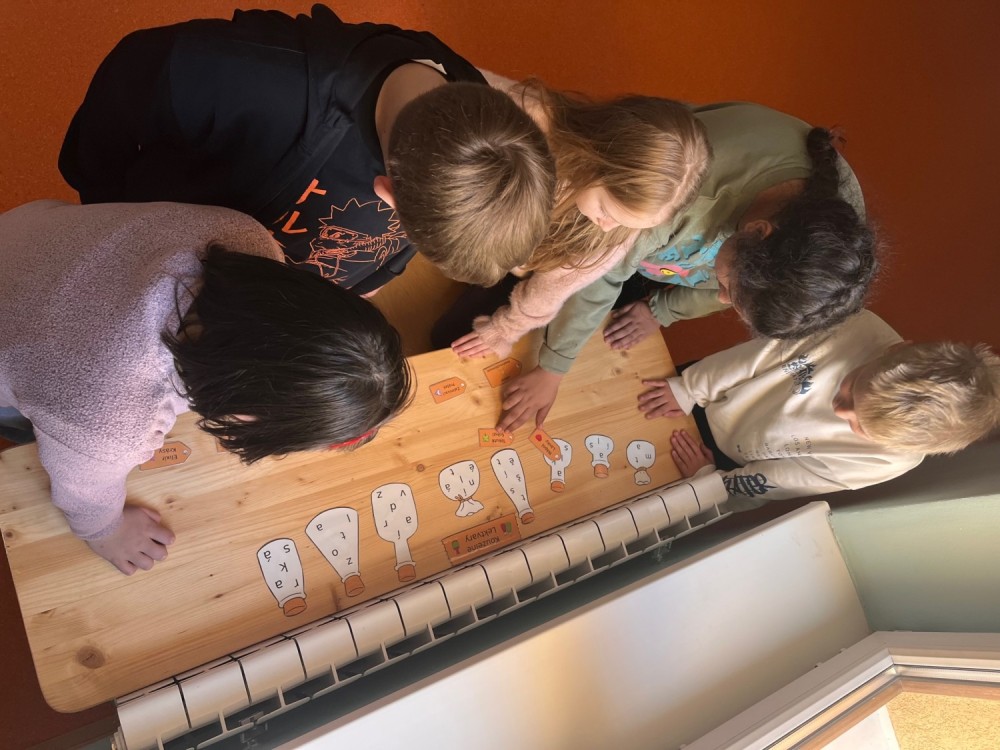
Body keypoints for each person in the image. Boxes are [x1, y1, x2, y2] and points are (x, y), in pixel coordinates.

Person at [0, 200, 412, 575]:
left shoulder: (248, 240)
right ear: (244, 414)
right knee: (26, 425)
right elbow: (83, 491)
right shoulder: (112, 426)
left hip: (23, 234)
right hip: (16, 341)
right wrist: (105, 531)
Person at [58, 4, 555, 294]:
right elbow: (132, 72)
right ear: (387, 195)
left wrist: (367, 284)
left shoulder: (467, 106)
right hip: (156, 254)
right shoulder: (250, 78)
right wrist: (103, 214)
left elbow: (396, 245)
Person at [486, 103, 876, 433]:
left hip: (655, 255)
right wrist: (553, 367)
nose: (720, 298)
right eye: (727, 288)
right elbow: (598, 269)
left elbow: (742, 293)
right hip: (599, 218)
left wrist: (662, 311)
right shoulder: (679, 194)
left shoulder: (830, 245)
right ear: (756, 231)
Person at [440, 78, 711, 355]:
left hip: (503, 250)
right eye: (606, 211)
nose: (607, 227)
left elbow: (549, 291)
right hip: (454, 206)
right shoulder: (524, 120)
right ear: (594, 159)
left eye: (628, 225)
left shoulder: (612, 235)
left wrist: (505, 329)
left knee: (447, 334)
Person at [636, 310, 1000, 510]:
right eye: (851, 389)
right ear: (895, 350)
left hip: (726, 461)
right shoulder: (857, 326)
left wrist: (711, 484)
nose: (840, 411)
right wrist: (688, 388)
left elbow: (786, 481)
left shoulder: (890, 461)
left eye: (860, 427)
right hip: (713, 389)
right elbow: (758, 356)